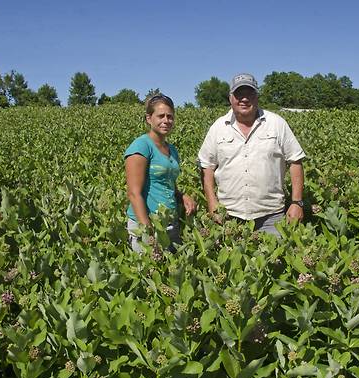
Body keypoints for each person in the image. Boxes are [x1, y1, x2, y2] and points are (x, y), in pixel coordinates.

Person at [197, 73, 306, 235]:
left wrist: (297, 202)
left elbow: (295, 161)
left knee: (275, 260)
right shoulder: (218, 127)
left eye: (250, 94)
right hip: (229, 216)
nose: (244, 99)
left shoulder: (276, 124)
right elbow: (206, 167)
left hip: (271, 216)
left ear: (257, 96)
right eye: (239, 94)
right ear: (230, 98)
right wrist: (212, 202)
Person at [124, 94, 196, 252]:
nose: (166, 120)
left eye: (170, 116)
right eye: (160, 116)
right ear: (149, 118)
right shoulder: (141, 146)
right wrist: (148, 231)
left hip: (170, 222)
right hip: (147, 223)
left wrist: (182, 196)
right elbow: (133, 193)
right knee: (150, 273)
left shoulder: (172, 149)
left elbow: (168, 183)